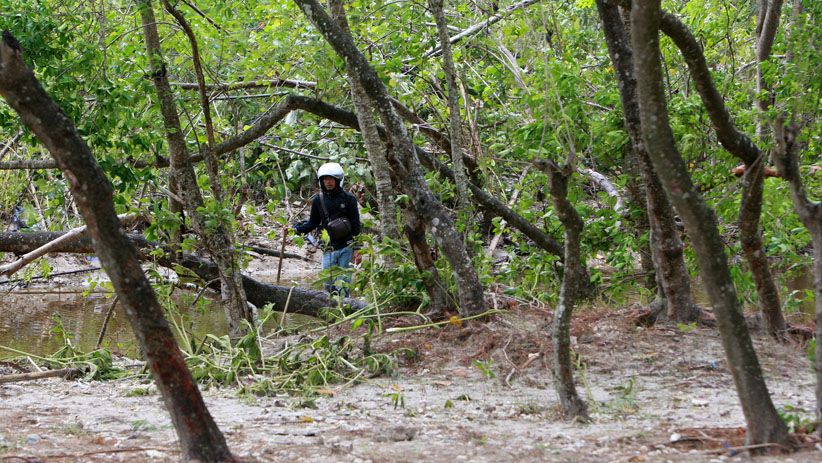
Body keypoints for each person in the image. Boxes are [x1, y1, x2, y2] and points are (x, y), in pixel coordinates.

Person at [294, 162, 361, 295]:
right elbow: (312, 223)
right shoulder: (318, 200)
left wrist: (357, 250)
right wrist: (295, 229)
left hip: (347, 247)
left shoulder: (349, 199)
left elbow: (356, 225)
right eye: (325, 179)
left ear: (337, 180)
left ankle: (344, 306)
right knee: (328, 284)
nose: (328, 182)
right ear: (321, 181)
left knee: (343, 285)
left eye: (331, 179)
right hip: (328, 248)